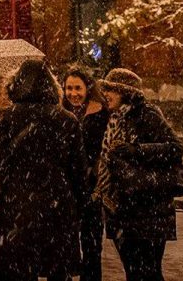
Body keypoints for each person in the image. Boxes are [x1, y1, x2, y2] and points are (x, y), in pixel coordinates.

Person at [0, 60, 86, 281]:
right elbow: (78, 169)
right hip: (57, 206)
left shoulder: (7, 117)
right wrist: (78, 204)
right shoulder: (67, 120)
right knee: (57, 271)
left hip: (17, 206)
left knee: (20, 270)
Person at [94, 68, 183, 281]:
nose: (106, 94)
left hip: (148, 207)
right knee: (133, 271)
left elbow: (175, 148)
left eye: (112, 90)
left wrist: (137, 150)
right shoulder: (111, 118)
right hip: (121, 207)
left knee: (149, 272)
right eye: (105, 89)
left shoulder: (147, 114)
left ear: (126, 92)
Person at [63, 67, 111, 281]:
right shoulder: (60, 112)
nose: (73, 93)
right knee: (66, 246)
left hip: (91, 187)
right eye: (69, 88)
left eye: (78, 88)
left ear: (87, 88)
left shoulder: (101, 112)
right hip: (67, 188)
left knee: (92, 246)